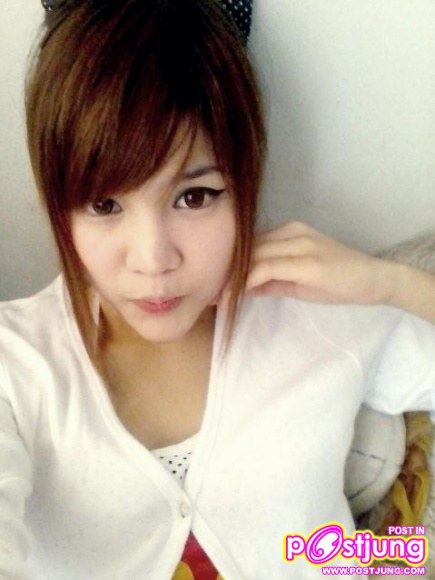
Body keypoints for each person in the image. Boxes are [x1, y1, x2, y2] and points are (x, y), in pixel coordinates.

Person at [1, 0, 434, 578]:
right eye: (104, 204)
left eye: (194, 196)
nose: (153, 261)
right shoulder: (15, 363)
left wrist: (392, 283)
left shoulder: (318, 314)